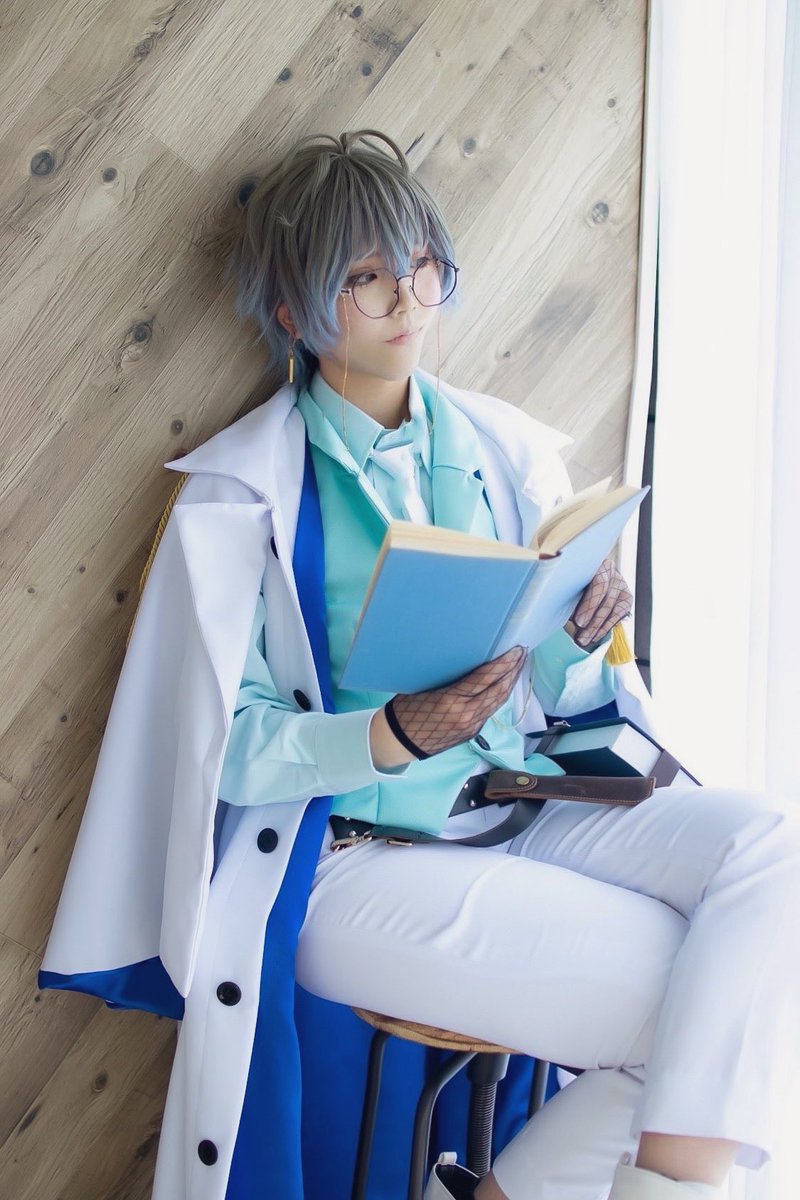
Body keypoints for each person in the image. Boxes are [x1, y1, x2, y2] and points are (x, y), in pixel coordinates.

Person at [37, 129, 800, 1200]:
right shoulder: (240, 497)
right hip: (350, 861)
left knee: (772, 853)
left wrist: (581, 640)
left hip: (521, 804)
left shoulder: (508, 451)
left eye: (422, 266)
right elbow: (226, 750)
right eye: (366, 277)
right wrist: (389, 734)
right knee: (704, 1014)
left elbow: (557, 698)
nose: (407, 299)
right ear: (293, 313)